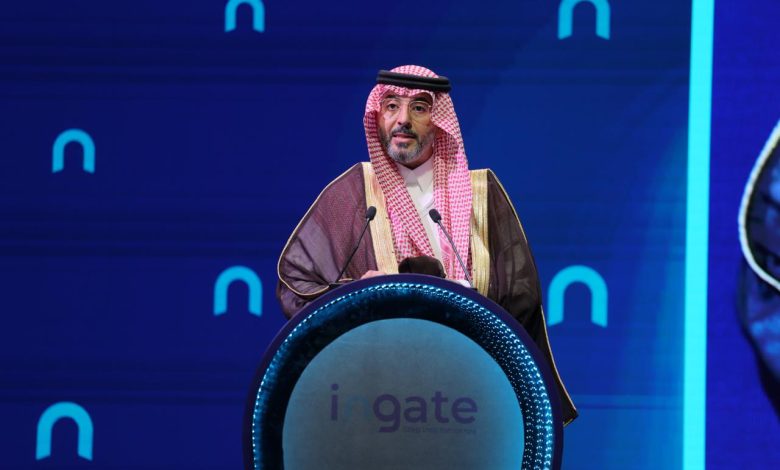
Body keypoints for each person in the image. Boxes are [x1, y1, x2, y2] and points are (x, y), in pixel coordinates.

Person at [276, 65, 578, 425]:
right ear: (377, 115)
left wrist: (464, 303)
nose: (402, 120)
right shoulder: (354, 192)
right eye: (391, 106)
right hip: (373, 399)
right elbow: (296, 284)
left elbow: (521, 297)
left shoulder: (481, 194)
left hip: (466, 399)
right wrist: (357, 294)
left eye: (418, 108)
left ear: (439, 121)